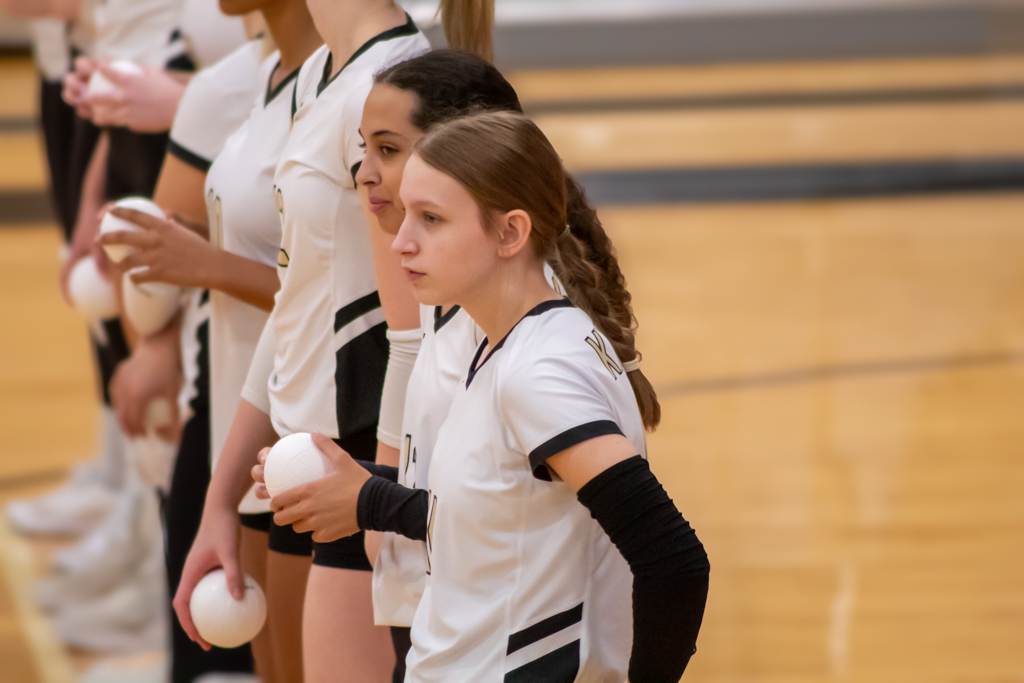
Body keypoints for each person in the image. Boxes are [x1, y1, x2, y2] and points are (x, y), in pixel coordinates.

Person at [259, 111, 711, 681]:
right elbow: (493, 513)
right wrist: (360, 484)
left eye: (431, 219)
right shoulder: (505, 345)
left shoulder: (539, 372)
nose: (401, 243)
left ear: (510, 232)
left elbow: (672, 558)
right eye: (405, 215)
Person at [99, 0, 322, 680]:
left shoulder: (353, 89)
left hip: (322, 441)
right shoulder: (264, 77)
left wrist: (204, 266)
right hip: (248, 430)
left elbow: (337, 298)